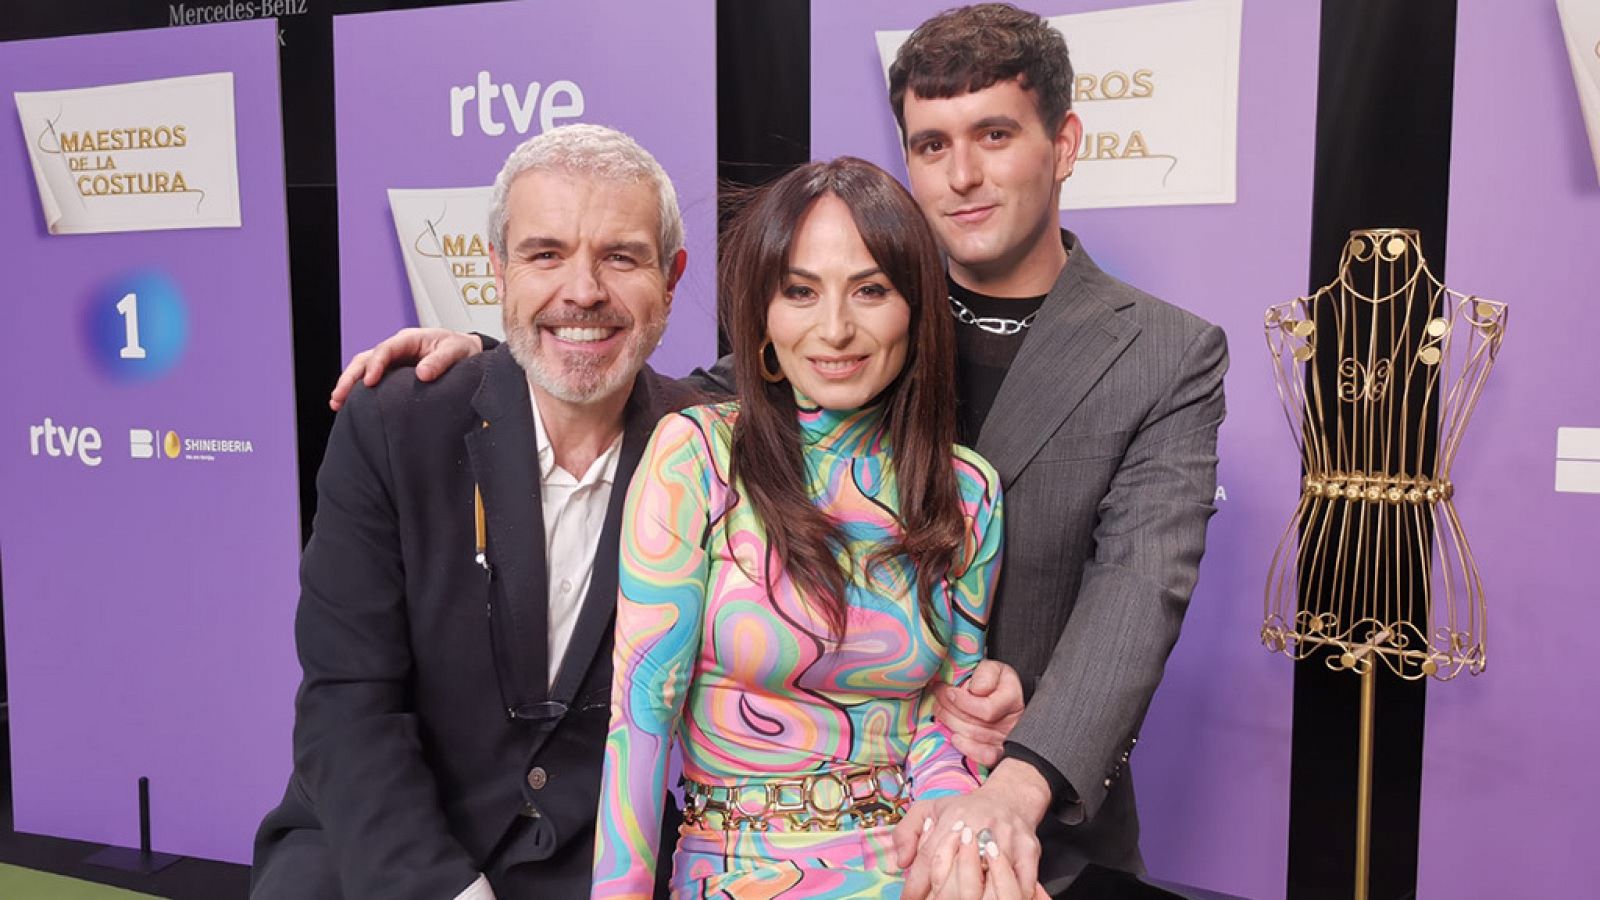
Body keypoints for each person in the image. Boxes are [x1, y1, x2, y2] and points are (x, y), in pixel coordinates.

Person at [334, 4, 1228, 893]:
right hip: (748, 850)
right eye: (929, 144)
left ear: (1064, 143)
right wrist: (503, 361)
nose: (962, 175)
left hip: (1024, 828)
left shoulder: (1161, 355)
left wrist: (1011, 789)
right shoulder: (764, 394)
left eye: (994, 134)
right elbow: (661, 393)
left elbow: (1135, 599)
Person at [251, 124, 697, 900]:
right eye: (545, 254)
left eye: (621, 256)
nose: (583, 289)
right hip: (383, 851)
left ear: (672, 278)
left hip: (602, 872)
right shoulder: (395, 426)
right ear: (497, 269)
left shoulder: (713, 449)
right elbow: (348, 702)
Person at [590, 157, 1006, 898]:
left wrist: (949, 805)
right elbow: (641, 717)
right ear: (765, 316)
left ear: (915, 307)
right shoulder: (702, 456)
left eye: (871, 290)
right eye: (801, 292)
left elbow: (949, 720)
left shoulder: (967, 489)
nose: (836, 329)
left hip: (912, 867)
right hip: (738, 869)